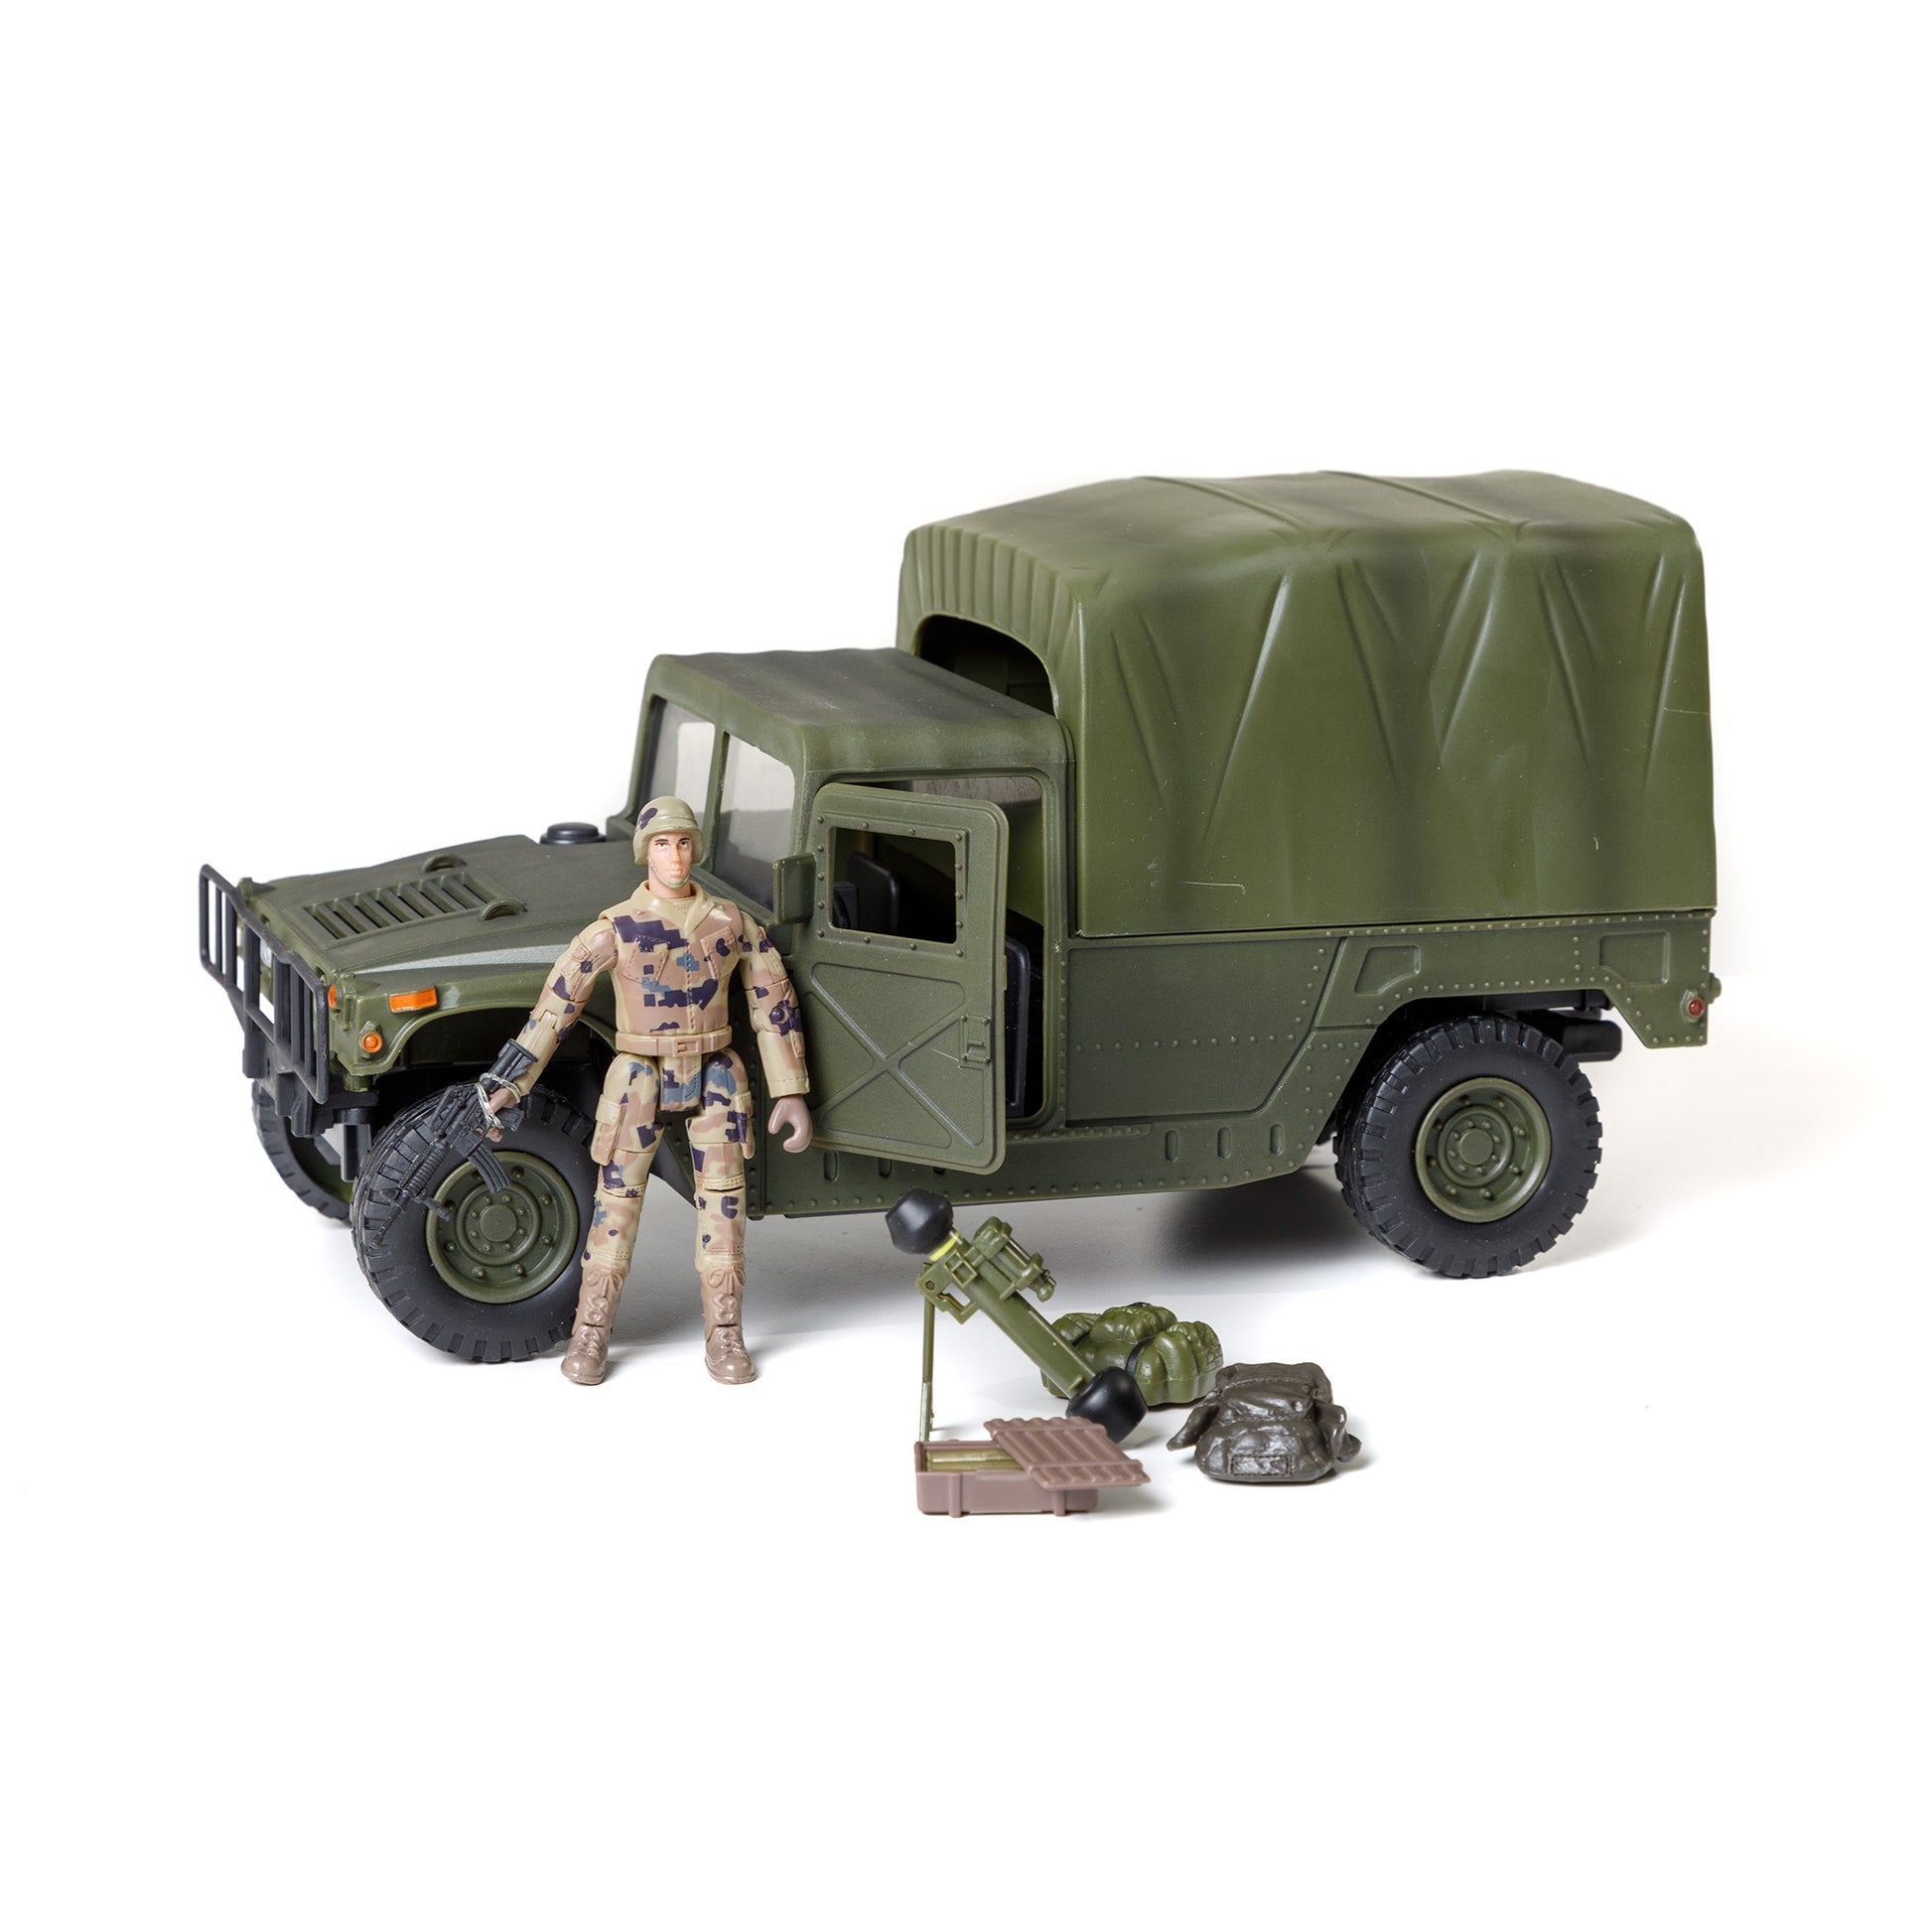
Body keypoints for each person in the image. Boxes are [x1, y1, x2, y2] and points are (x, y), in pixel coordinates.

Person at [482, 795, 812, 1385]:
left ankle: (725, 1333)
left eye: (684, 843)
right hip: (639, 1075)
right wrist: (511, 1080)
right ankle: (590, 1332)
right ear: (644, 852)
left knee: (725, 1208)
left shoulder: (729, 922)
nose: (675, 856)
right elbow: (556, 1006)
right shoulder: (614, 928)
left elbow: (774, 1003)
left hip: (716, 1072)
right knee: (615, 1206)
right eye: (662, 844)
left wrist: (789, 1090)